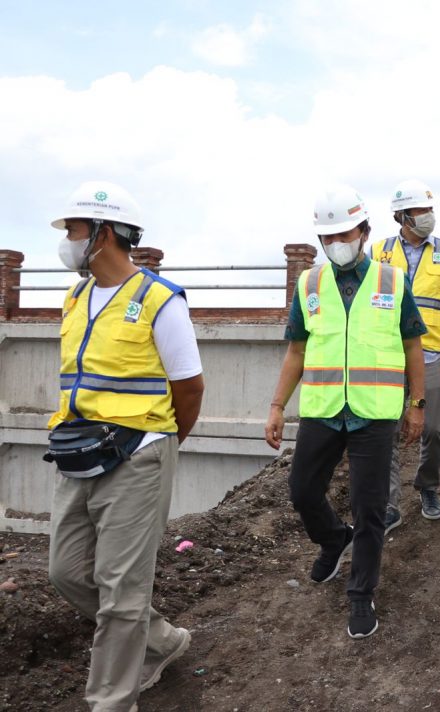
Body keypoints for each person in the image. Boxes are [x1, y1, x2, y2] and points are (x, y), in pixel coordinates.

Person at [46, 181, 205, 711]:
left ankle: (111, 703)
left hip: (138, 457)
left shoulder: (160, 300)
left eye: (72, 229)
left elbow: (189, 386)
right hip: (80, 453)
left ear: (103, 234)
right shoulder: (76, 296)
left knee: (121, 593)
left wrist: (162, 444)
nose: (66, 240)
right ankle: (163, 641)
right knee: (67, 573)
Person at [264, 184, 427, 640]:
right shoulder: (310, 283)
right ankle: (334, 539)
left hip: (374, 413)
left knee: (370, 507)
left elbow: (413, 345)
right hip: (322, 408)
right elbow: (297, 351)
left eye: (345, 233)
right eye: (328, 236)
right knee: (301, 491)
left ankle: (361, 593)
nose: (337, 243)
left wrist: (416, 405)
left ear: (364, 231)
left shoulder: (393, 281)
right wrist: (277, 406)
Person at [371, 179, 440, 530]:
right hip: (388, 353)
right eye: (419, 211)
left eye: (429, 210)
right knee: (385, 429)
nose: (427, 216)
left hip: (432, 352)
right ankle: (388, 502)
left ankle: (427, 486)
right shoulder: (377, 251)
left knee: (436, 430)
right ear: (402, 217)